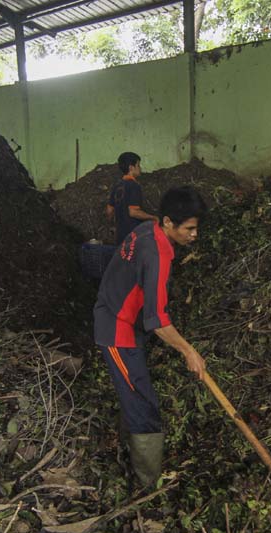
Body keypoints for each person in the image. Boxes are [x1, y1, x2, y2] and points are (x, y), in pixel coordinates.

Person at [94, 186, 207, 489]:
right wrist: (189, 352)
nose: (194, 234)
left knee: (134, 391)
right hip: (116, 328)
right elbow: (156, 319)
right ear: (168, 222)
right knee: (143, 405)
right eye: (190, 228)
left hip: (126, 318)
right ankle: (147, 485)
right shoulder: (156, 255)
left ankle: (126, 452)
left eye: (196, 228)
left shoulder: (147, 228)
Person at [106, 152, 159, 246]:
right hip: (132, 236)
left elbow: (109, 211)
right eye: (138, 165)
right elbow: (134, 212)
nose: (140, 168)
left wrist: (113, 225)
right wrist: (153, 218)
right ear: (131, 168)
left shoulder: (117, 186)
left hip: (120, 236)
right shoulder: (134, 186)